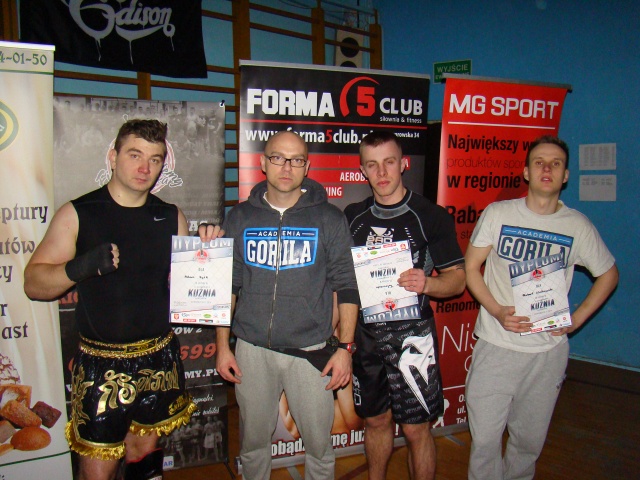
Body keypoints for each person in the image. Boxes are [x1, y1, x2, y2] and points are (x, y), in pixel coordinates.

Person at [23, 119, 196, 480]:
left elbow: (193, 290)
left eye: (154, 159)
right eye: (135, 155)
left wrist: (207, 251)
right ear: (113, 157)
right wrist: (80, 267)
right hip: (102, 364)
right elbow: (34, 284)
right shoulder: (79, 213)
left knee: (143, 461)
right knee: (96, 471)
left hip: (159, 357)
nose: (144, 167)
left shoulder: (171, 216)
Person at [199, 130, 359, 479]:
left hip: (311, 353)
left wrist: (345, 348)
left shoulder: (329, 218)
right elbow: (228, 285)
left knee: (319, 448)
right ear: (262, 162)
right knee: (253, 445)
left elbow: (347, 286)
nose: (287, 167)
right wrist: (223, 346)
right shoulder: (240, 217)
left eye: (296, 159)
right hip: (252, 352)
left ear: (307, 166)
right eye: (278, 158)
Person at [464, 135, 619, 480]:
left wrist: (576, 320)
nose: (547, 169)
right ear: (526, 172)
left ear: (565, 176)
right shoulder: (499, 213)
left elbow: (609, 274)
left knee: (528, 444)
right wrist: (497, 310)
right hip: (497, 345)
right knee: (485, 441)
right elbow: (471, 267)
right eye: (539, 162)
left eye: (555, 163)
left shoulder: (577, 226)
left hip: (547, 353)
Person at [344, 131, 466, 480]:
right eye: (372, 165)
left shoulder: (431, 216)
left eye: (389, 162)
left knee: (415, 429)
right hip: (366, 337)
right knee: (375, 421)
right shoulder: (352, 216)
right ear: (362, 170)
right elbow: (343, 282)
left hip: (413, 337)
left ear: (404, 164)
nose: (381, 172)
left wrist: (428, 283)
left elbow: (458, 280)